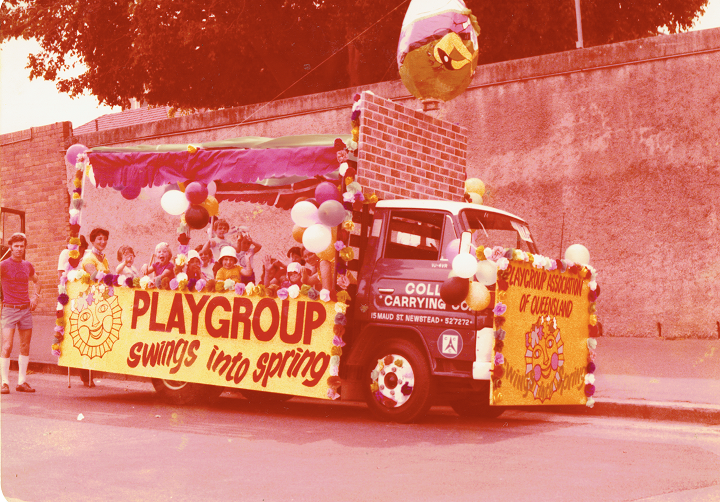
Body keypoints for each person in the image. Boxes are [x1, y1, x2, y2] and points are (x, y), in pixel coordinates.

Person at [0, 233, 41, 394]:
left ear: (24, 247)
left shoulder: (27, 265)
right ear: (10, 247)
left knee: (25, 345)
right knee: (7, 345)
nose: (18, 249)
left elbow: (38, 282)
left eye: (21, 246)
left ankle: (22, 382)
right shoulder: (3, 265)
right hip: (9, 309)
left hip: (25, 310)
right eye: (16, 246)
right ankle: (4, 383)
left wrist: (35, 297)